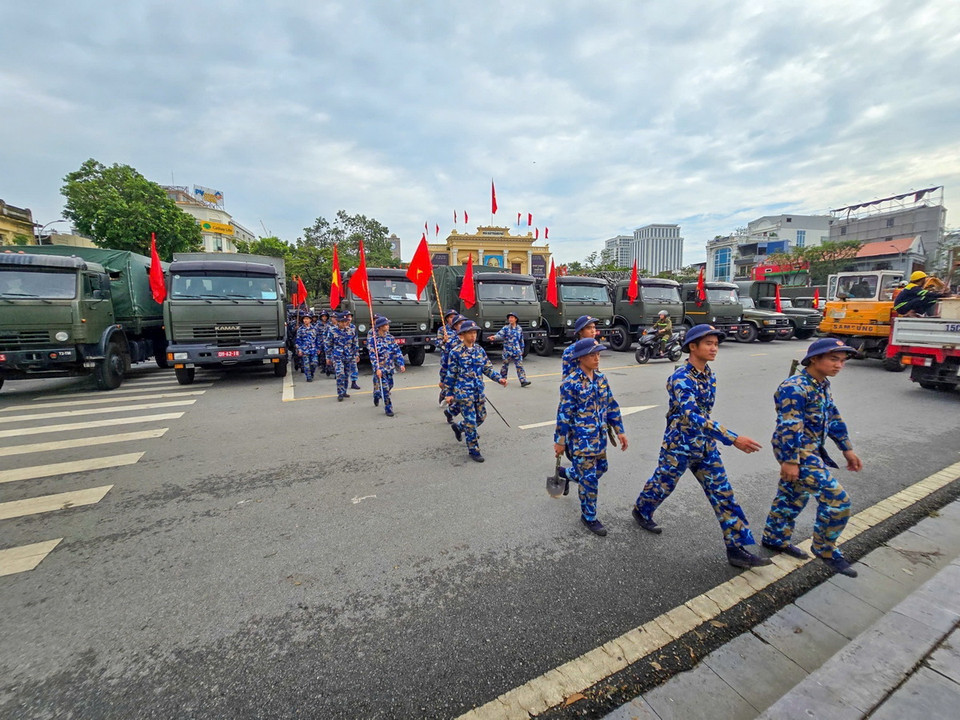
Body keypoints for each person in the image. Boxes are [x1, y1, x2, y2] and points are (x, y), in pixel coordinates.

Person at [632, 324, 771, 569]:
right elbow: (693, 415)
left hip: (705, 447)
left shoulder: (710, 375)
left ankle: (736, 548)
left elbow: (705, 413)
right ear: (692, 347)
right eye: (709, 343)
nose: (714, 348)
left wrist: (716, 438)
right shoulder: (680, 378)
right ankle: (642, 510)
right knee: (663, 485)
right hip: (679, 446)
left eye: (716, 344)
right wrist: (733, 438)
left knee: (724, 494)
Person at [762, 338, 863, 577]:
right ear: (814, 359)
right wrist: (790, 460)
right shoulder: (794, 387)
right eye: (833, 359)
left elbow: (833, 415)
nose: (839, 365)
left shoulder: (821, 383)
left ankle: (775, 538)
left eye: (842, 361)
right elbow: (790, 426)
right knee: (837, 500)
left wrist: (846, 448)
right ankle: (825, 549)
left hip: (810, 448)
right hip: (797, 450)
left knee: (792, 494)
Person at [554, 338, 628, 536]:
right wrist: (560, 442)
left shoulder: (601, 379)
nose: (597, 358)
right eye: (592, 355)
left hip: (600, 439)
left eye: (598, 354)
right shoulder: (571, 383)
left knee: (601, 469)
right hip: (580, 442)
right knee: (590, 482)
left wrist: (620, 430)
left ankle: (568, 474)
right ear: (580, 358)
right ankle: (589, 517)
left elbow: (612, 405)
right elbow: (564, 414)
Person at [444, 319, 507, 462]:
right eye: (470, 333)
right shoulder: (456, 353)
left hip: (478, 392)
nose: (473, 336)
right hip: (464, 394)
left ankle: (459, 427)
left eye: (474, 333)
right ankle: (474, 450)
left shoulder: (479, 350)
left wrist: (499, 379)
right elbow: (451, 374)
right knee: (471, 422)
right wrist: (448, 393)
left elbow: (487, 368)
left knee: (481, 417)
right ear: (462, 335)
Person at [368, 316, 406, 417]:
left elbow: (397, 351)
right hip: (380, 368)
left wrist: (401, 363)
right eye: (385, 325)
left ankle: (377, 394)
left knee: (390, 385)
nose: (387, 326)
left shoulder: (390, 338)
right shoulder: (373, 340)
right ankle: (388, 407)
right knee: (385, 389)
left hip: (389, 367)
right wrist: (377, 368)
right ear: (380, 327)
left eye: (388, 324)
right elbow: (372, 356)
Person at [325, 312, 359, 401]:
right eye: (342, 322)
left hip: (349, 356)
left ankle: (344, 391)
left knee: (346, 374)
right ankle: (340, 393)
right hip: (337, 356)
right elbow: (328, 344)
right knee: (340, 374)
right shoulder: (332, 330)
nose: (344, 324)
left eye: (345, 321)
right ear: (338, 321)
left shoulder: (351, 330)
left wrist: (356, 354)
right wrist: (328, 357)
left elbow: (355, 343)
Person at [491, 312, 530, 387]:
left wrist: (522, 349)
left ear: (516, 319)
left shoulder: (519, 329)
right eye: (509, 318)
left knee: (520, 366)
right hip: (507, 350)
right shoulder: (506, 328)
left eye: (512, 317)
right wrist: (494, 337)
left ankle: (523, 381)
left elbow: (521, 340)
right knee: (505, 366)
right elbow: (500, 334)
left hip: (516, 350)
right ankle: (502, 379)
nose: (510, 319)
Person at [439, 314, 466, 424]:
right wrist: (442, 379)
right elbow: (445, 362)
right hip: (454, 376)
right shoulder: (451, 342)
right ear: (455, 327)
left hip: (466, 376)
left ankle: (451, 412)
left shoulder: (470, 340)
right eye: (459, 324)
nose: (462, 325)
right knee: (460, 398)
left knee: (466, 399)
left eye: (463, 323)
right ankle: (469, 426)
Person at [295, 311, 322, 382]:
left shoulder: (314, 329)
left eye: (307, 319)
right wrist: (299, 350)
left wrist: (318, 348)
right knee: (306, 365)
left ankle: (312, 373)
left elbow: (318, 339)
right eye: (304, 319)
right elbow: (298, 341)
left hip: (313, 349)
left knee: (314, 363)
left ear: (310, 320)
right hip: (304, 350)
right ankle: (308, 377)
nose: (305, 320)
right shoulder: (300, 330)